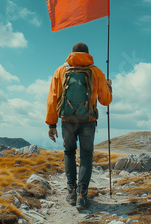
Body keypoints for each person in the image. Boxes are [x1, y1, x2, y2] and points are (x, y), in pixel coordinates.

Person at [46, 42, 112, 210]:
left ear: (71, 53)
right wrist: (109, 87)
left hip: (67, 121)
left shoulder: (61, 71)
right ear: (88, 54)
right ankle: (82, 195)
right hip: (88, 121)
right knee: (86, 156)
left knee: (69, 152)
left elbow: (52, 98)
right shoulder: (96, 71)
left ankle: (71, 192)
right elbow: (105, 100)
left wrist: (51, 124)